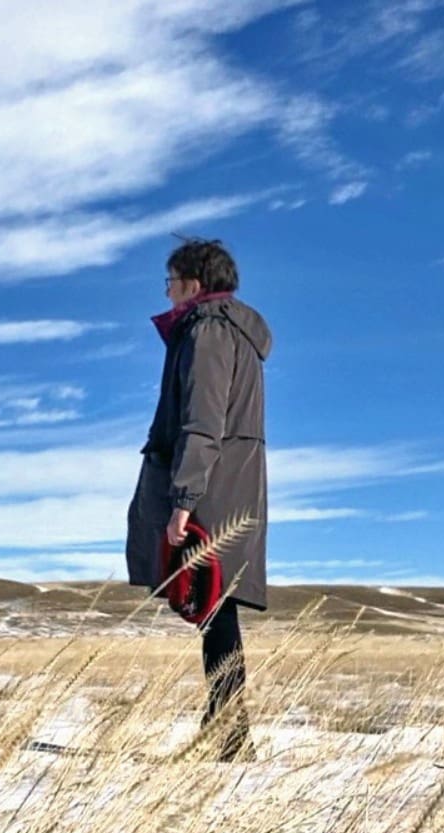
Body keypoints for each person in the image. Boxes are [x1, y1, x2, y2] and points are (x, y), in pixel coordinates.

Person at [126, 238, 272, 762]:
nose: (166, 293)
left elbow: (202, 422)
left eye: (169, 282)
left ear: (193, 283)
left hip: (209, 490)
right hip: (231, 484)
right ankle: (226, 726)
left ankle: (231, 733)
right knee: (217, 608)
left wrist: (183, 500)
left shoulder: (208, 331)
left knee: (216, 608)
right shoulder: (230, 332)